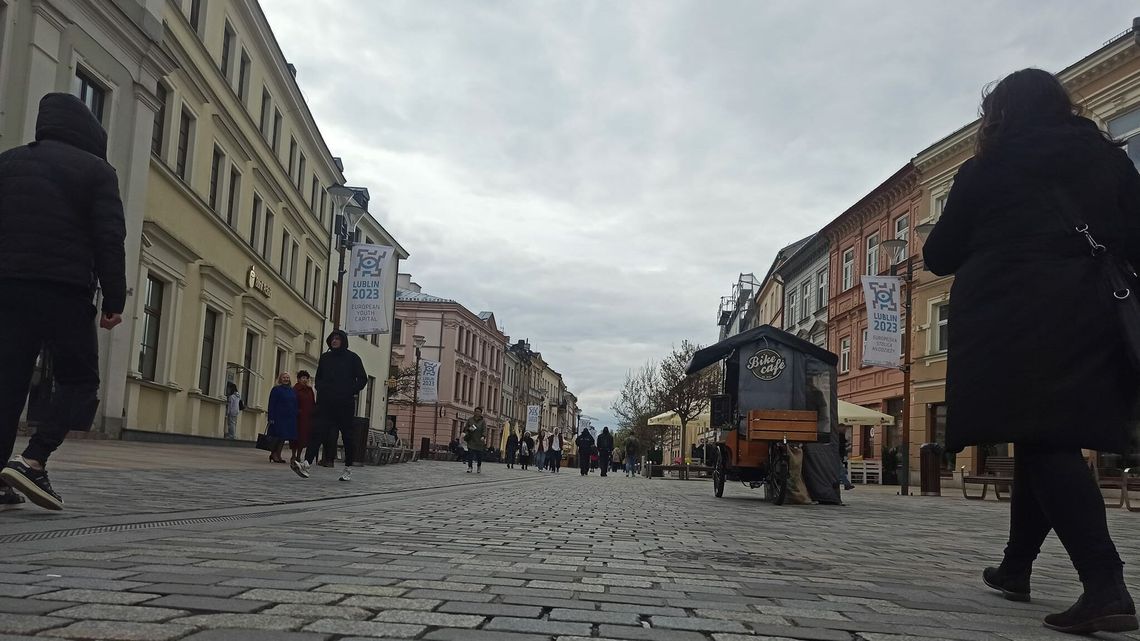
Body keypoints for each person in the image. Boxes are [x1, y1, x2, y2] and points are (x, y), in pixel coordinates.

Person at [923, 68, 1138, 635]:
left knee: (1045, 441)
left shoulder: (987, 167)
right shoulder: (1110, 158)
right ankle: (1016, 566)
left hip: (1011, 316)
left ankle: (1105, 584)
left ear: (998, 115)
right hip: (1093, 312)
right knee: (1045, 436)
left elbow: (939, 255)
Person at [0, 93, 126, 511]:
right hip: (63, 288)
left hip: (9, 286)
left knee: (8, 382)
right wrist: (114, 297)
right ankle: (33, 459)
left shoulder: (8, 162)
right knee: (79, 379)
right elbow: (109, 238)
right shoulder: (97, 171)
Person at [292, 330, 367, 482]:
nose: (334, 341)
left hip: (344, 404)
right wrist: (321, 388)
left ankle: (348, 468)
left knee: (347, 436)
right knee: (317, 431)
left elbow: (363, 379)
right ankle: (306, 464)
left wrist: (350, 390)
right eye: (333, 338)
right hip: (326, 403)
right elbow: (319, 377)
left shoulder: (352, 358)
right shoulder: (325, 358)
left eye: (338, 338)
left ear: (343, 341)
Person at [266, 372, 298, 463]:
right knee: (277, 436)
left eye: (287, 377)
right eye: (284, 377)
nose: (286, 379)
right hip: (278, 417)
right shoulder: (276, 389)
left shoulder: (292, 390)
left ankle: (278, 454)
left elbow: (295, 403)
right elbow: (271, 404)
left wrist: (295, 413)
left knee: (283, 437)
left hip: (289, 418)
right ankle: (274, 454)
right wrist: (271, 417)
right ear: (280, 379)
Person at [291, 370, 315, 464]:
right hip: (297, 417)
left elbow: (313, 402)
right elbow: (292, 402)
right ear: (298, 379)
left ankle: (298, 455)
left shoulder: (310, 390)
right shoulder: (295, 389)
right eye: (303, 378)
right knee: (295, 436)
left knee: (303, 437)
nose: (305, 380)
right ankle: (293, 454)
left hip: (307, 417)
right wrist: (296, 411)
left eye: (306, 378)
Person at [463, 407, 487, 473]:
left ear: (481, 413)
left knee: (479, 456)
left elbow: (484, 430)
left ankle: (479, 466)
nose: (477, 413)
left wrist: (483, 436)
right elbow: (466, 428)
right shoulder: (470, 420)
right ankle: (470, 467)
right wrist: (467, 431)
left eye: (478, 412)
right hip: (471, 440)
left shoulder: (483, 421)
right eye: (476, 411)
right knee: (470, 454)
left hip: (479, 442)